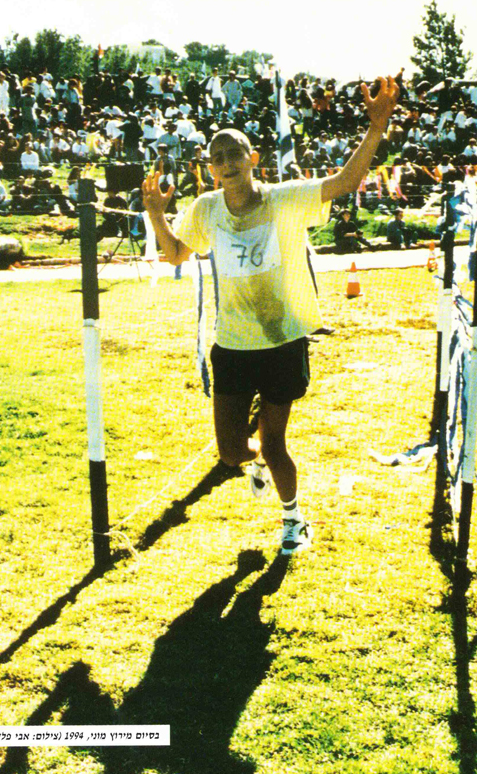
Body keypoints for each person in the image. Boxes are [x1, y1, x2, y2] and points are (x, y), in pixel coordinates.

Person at [142, 76, 399, 556]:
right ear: (211, 170)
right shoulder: (206, 209)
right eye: (218, 158)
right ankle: (256, 459)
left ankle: (293, 520)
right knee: (231, 453)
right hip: (233, 344)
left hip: (282, 340)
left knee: (276, 443)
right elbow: (176, 254)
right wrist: (157, 214)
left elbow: (345, 182)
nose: (227, 163)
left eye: (234, 154)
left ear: (253, 159)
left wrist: (376, 127)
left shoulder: (284, 199)